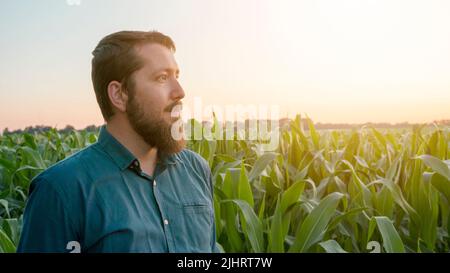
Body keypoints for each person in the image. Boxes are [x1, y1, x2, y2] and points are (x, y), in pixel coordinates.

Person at [17, 30, 219, 253]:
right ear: (120, 94)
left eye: (176, 77)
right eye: (162, 78)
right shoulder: (61, 191)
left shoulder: (196, 169)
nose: (180, 92)